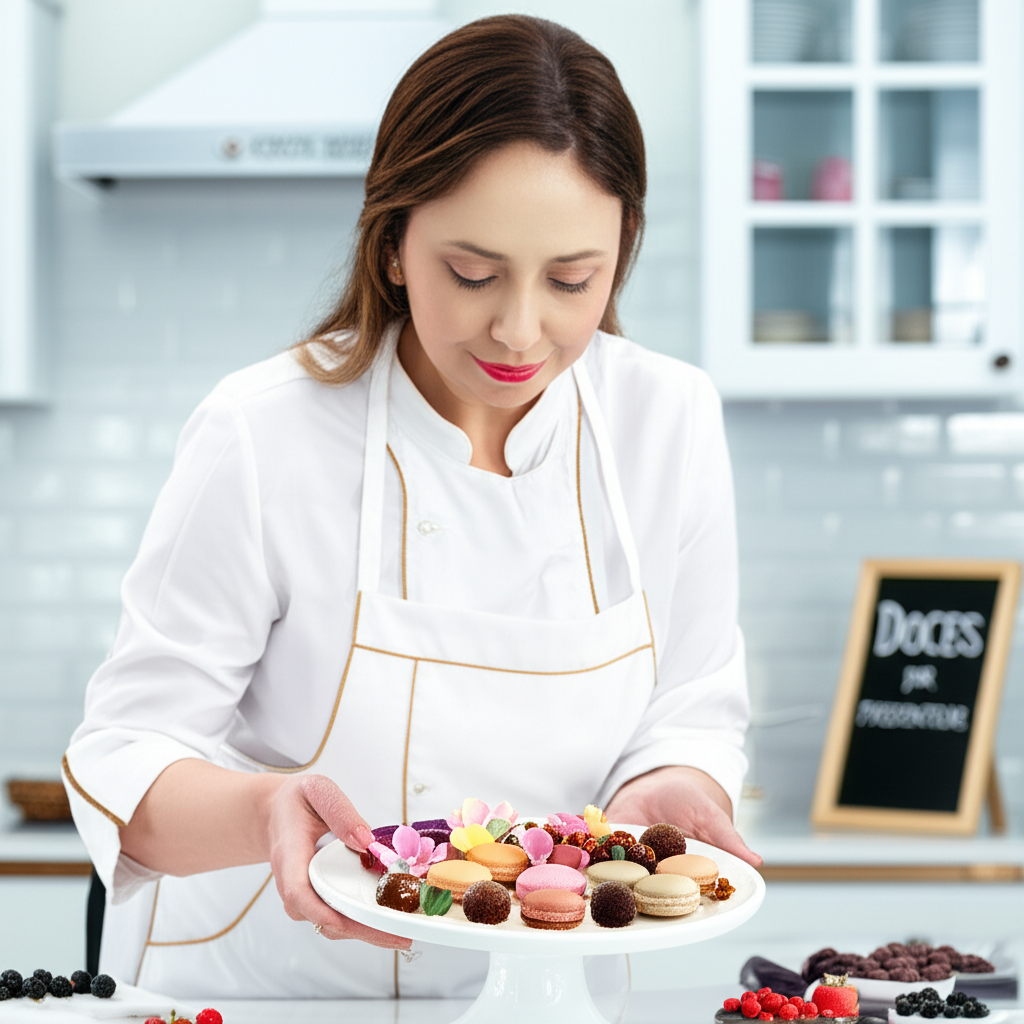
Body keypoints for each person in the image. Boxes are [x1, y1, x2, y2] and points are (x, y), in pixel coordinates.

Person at [63, 13, 760, 1000]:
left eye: (573, 280)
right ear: (392, 246)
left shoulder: (669, 420)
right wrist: (263, 807)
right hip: (273, 993)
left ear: (624, 247)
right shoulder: (263, 433)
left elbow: (691, 701)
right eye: (470, 273)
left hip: (548, 998)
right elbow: (126, 755)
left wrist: (670, 786)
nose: (520, 329)